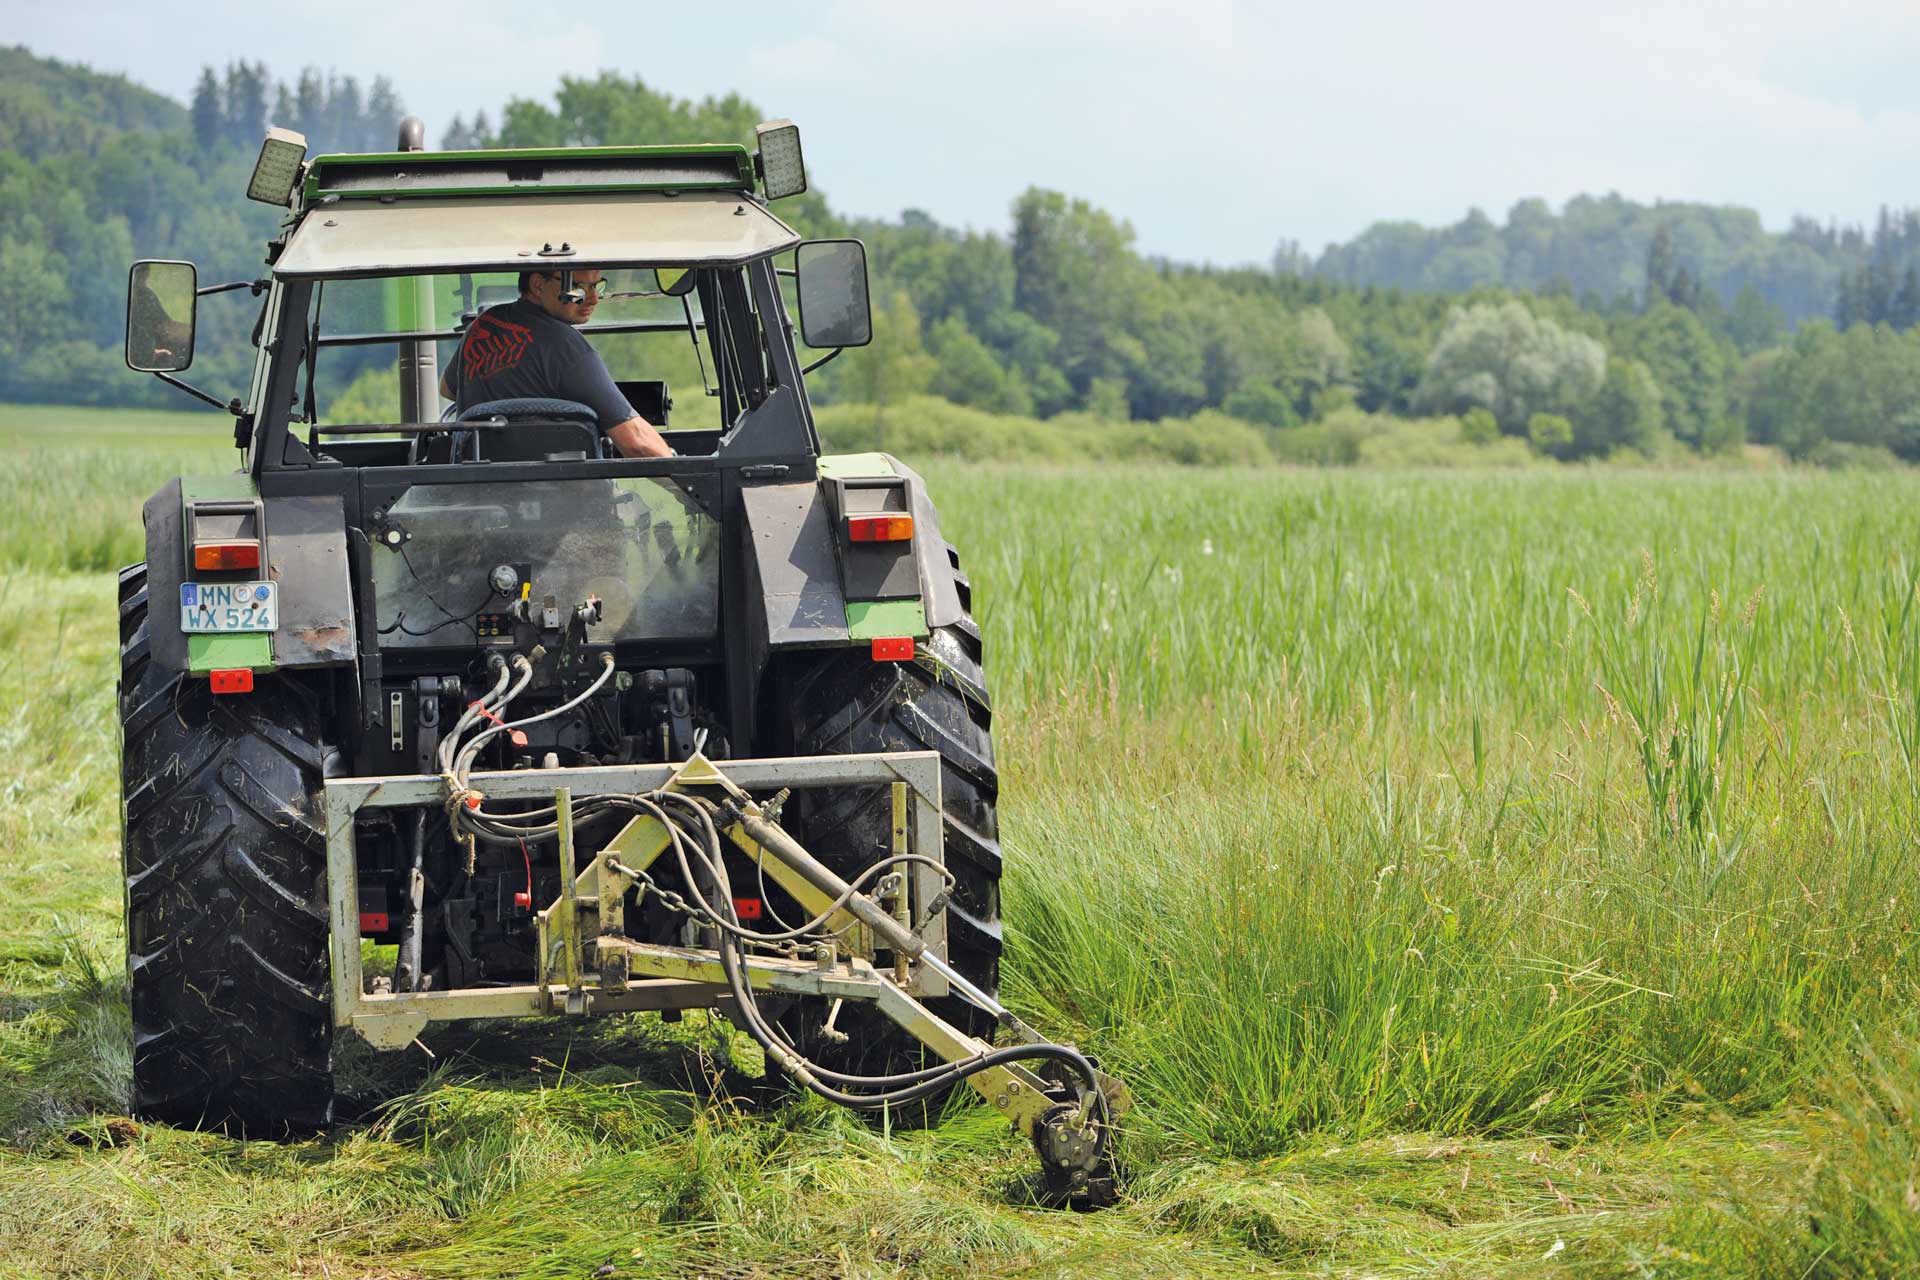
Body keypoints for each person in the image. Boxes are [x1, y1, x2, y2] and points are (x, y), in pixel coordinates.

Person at [439, 268, 670, 458]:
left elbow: (448, 389)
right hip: (563, 502)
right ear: (538, 285)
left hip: (475, 494)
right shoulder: (566, 346)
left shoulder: (483, 325)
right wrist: (686, 490)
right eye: (579, 287)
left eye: (596, 286)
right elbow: (637, 443)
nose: (593, 298)